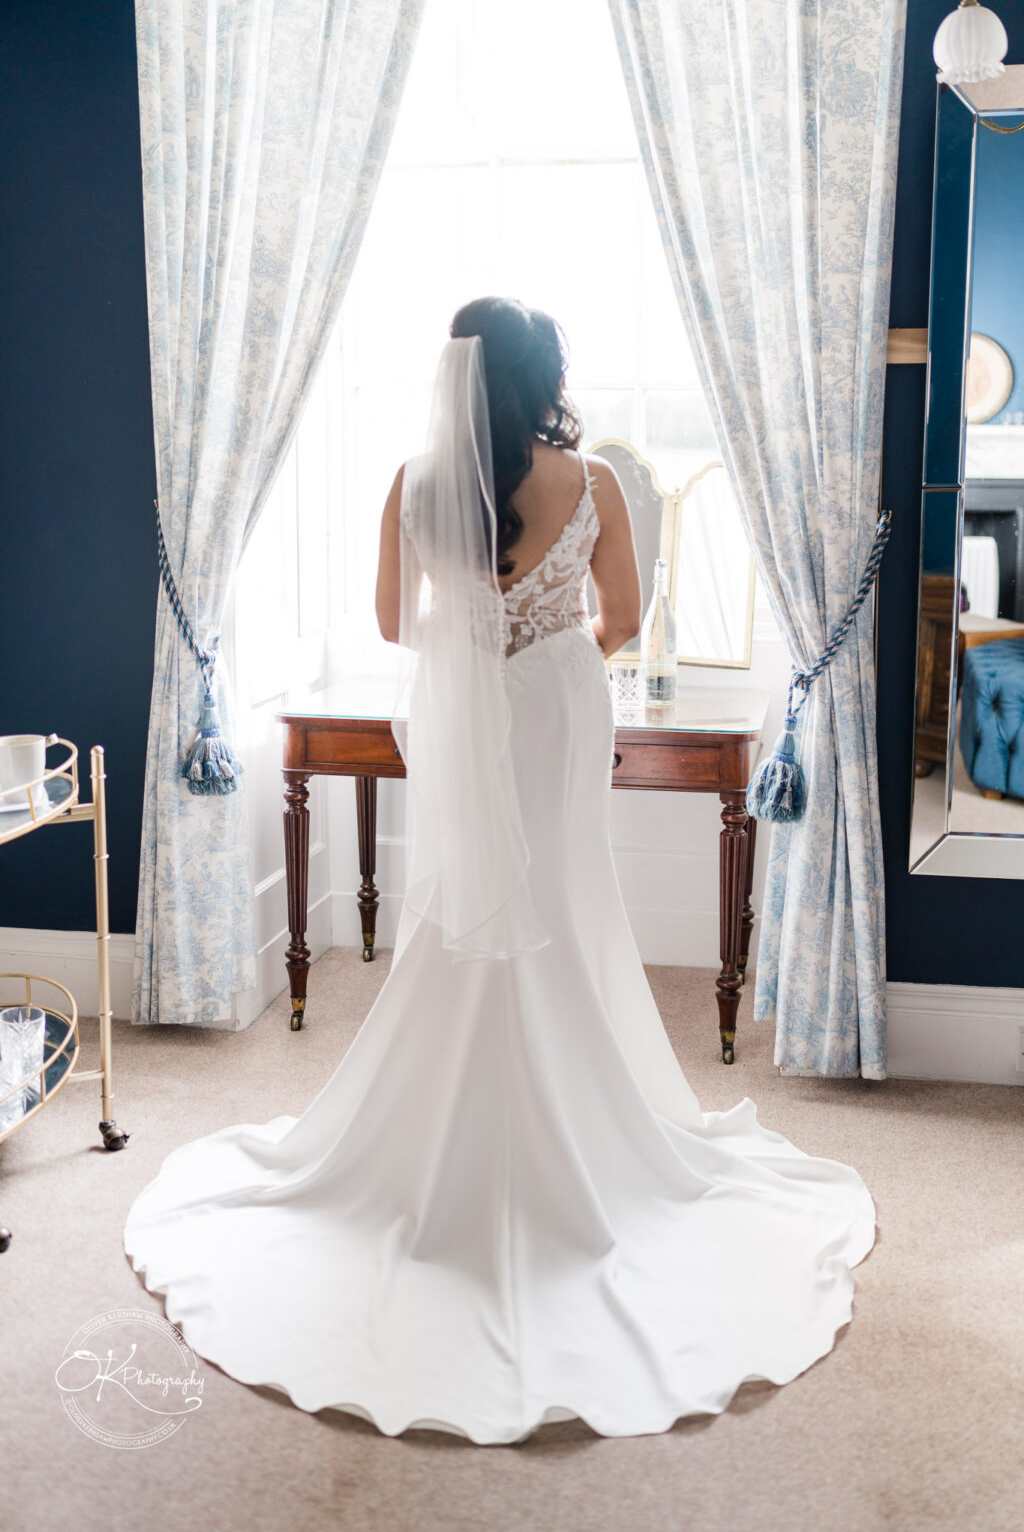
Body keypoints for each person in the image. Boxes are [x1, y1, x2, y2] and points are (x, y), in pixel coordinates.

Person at [123, 296, 876, 1446]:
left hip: (471, 711)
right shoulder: (595, 486)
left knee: (468, 900)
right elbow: (620, 617)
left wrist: (475, 646)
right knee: (568, 898)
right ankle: (586, 1134)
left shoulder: (413, 485)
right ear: (542, 374)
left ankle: (450, 1139)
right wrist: (551, 653)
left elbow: (388, 622)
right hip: (561, 711)